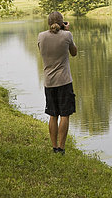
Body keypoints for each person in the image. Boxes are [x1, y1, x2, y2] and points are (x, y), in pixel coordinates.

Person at [38, 11, 78, 154]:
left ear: (48, 23)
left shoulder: (41, 36)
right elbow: (74, 53)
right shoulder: (67, 35)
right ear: (62, 23)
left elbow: (42, 50)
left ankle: (54, 147)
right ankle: (61, 148)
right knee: (65, 115)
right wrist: (66, 31)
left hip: (49, 82)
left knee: (53, 115)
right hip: (64, 81)